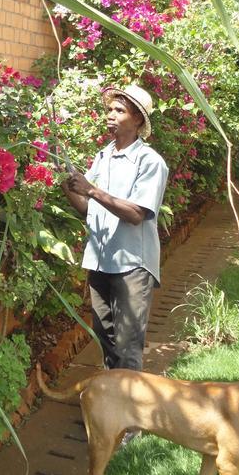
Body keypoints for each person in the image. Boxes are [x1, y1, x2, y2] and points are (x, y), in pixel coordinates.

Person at [63, 84, 169, 372]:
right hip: (100, 261)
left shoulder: (150, 162)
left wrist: (91, 190)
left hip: (131, 265)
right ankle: (113, 409)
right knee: (106, 341)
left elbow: (136, 213)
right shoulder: (103, 156)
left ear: (137, 120)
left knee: (127, 346)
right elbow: (87, 208)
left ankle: (129, 413)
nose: (110, 115)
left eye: (119, 110)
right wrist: (69, 185)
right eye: (109, 109)